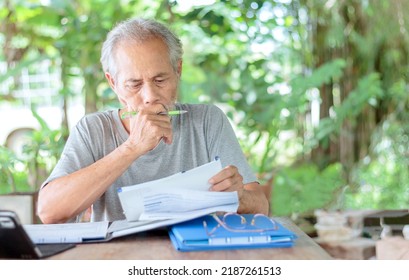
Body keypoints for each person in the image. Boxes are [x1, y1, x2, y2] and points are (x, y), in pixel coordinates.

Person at [37, 18, 269, 224]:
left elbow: (261, 206)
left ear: (177, 70)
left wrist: (239, 197)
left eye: (160, 80)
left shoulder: (207, 121)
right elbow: (49, 212)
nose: (150, 97)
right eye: (134, 84)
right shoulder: (93, 129)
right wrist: (133, 147)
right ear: (113, 83)